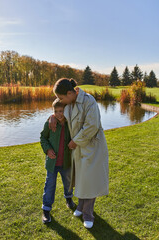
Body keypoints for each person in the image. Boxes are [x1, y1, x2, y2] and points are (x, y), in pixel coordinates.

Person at [49, 78, 109, 229]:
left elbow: (92, 126)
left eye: (61, 97)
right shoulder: (68, 102)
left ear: (70, 93)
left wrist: (75, 141)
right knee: (81, 179)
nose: (60, 100)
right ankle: (81, 206)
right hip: (79, 149)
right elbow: (58, 112)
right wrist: (52, 117)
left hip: (92, 147)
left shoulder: (89, 101)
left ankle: (88, 214)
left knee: (90, 180)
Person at [40, 98, 75, 224]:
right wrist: (48, 149)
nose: (59, 114)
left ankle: (69, 199)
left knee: (68, 182)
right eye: (56, 111)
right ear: (53, 112)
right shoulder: (49, 123)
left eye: (62, 111)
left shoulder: (70, 124)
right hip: (52, 164)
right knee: (49, 186)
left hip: (66, 162)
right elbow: (43, 138)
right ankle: (46, 209)